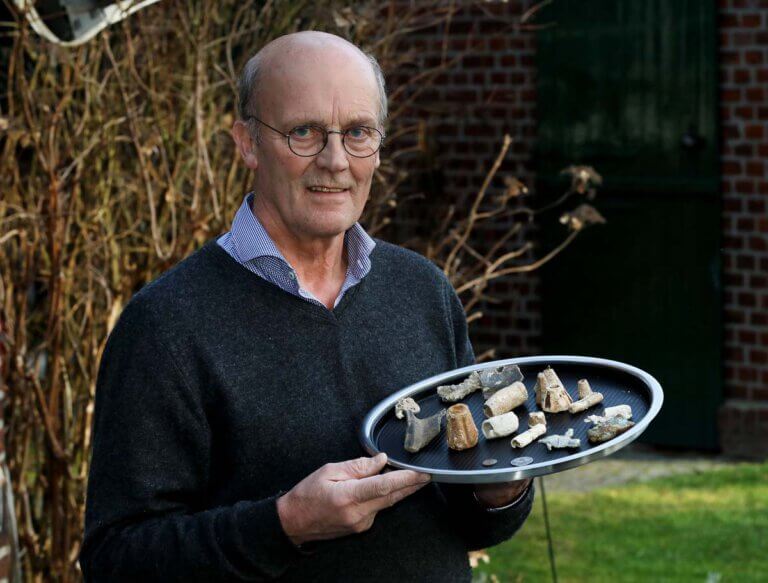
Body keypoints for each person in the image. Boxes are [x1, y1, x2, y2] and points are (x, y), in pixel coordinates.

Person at [80, 31, 534, 582]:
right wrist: (285, 525)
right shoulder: (166, 325)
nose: (336, 161)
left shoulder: (421, 289)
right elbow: (117, 559)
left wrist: (499, 487)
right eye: (304, 133)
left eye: (359, 133)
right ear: (247, 143)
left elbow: (470, 523)